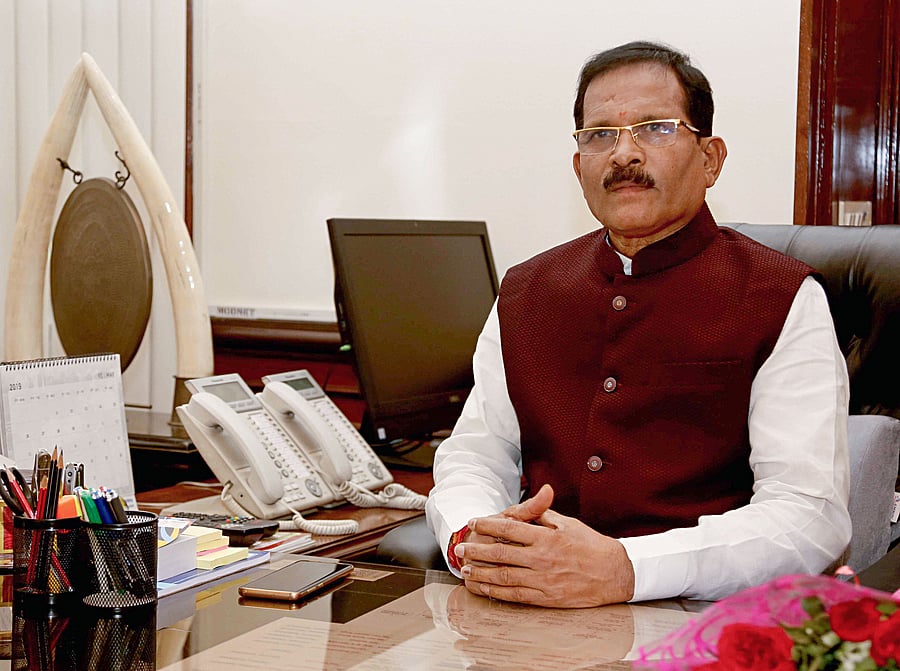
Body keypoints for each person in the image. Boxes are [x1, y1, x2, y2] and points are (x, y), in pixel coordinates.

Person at [425, 41, 851, 607]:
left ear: (710, 159)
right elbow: (477, 453)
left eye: (655, 128)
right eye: (600, 135)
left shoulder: (782, 295)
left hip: (702, 618)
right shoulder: (526, 290)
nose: (623, 154)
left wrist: (629, 568)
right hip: (528, 608)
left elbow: (809, 514)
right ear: (579, 166)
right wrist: (474, 535)